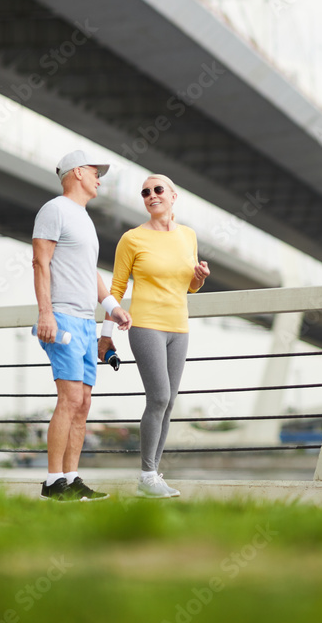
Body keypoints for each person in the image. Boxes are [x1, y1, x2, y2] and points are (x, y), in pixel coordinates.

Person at [99, 174, 210, 498]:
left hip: (180, 327)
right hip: (146, 325)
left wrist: (199, 277)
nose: (151, 195)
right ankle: (146, 476)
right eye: (145, 192)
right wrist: (106, 336)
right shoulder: (132, 239)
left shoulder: (188, 236)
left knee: (169, 402)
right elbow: (116, 289)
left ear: (173, 196)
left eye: (158, 189)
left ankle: (154, 474)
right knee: (158, 397)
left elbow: (189, 285)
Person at [33, 149, 132, 501]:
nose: (99, 178)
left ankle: (72, 478)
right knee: (70, 397)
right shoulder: (54, 210)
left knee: (84, 402)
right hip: (61, 317)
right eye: (94, 172)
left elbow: (89, 273)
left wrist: (112, 306)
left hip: (86, 321)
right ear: (76, 173)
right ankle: (52, 481)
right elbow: (40, 263)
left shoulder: (84, 219)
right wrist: (46, 313)